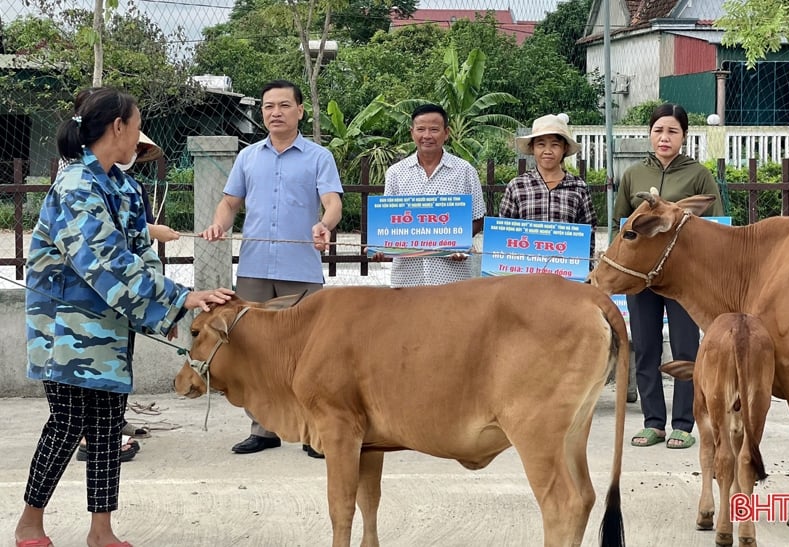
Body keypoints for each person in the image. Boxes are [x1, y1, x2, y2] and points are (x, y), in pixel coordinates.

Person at [14, 87, 233, 547]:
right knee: (68, 422)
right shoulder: (75, 186)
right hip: (67, 329)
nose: (139, 137)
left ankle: (101, 530)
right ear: (119, 127)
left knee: (109, 426)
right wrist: (180, 298)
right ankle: (30, 523)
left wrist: (178, 303)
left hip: (109, 328)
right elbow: (107, 261)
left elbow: (139, 256)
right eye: (136, 125)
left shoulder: (122, 186)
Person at [200, 79, 343, 458]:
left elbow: (332, 203)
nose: (275, 112)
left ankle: (314, 430)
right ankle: (262, 429)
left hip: (302, 268)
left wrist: (323, 225)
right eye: (267, 107)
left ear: (299, 110)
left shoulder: (318, 157)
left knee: (310, 352)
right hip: (254, 267)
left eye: (283, 105)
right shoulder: (248, 157)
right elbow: (230, 204)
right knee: (253, 349)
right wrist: (219, 224)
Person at [613, 102, 724, 450]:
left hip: (683, 280)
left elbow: (716, 228)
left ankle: (684, 422)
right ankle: (653, 422)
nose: (664, 137)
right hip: (641, 278)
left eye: (672, 131)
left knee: (686, 348)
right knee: (645, 347)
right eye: (659, 130)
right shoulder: (633, 175)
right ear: (650, 133)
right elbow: (621, 227)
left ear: (684, 136)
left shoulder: (699, 175)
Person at [377, 103, 485, 286]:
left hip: (452, 278)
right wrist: (381, 247)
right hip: (407, 279)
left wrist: (459, 241)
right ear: (412, 133)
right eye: (421, 129)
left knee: (453, 316)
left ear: (446, 132)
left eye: (434, 129)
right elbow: (389, 221)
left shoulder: (465, 171)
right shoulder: (396, 173)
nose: (427, 136)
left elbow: (478, 218)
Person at [500, 114, 597, 265]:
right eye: (541, 144)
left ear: (564, 148)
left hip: (565, 278)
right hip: (525, 276)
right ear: (532, 148)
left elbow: (588, 234)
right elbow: (503, 234)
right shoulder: (517, 186)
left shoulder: (579, 188)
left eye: (555, 145)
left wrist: (585, 269)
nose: (548, 151)